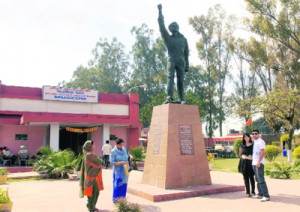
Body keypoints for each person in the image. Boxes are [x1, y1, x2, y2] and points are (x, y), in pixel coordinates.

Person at [157, 4, 189, 104]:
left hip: (181, 61)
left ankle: (182, 98)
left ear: (178, 27)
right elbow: (161, 26)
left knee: (181, 80)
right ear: (170, 29)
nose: (173, 27)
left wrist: (187, 64)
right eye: (171, 26)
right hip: (171, 60)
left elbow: (186, 53)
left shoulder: (183, 39)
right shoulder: (167, 38)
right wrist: (160, 11)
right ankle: (169, 97)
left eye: (175, 25)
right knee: (170, 78)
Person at [79, 140, 104, 212]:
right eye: (93, 145)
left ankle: (92, 206)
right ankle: (91, 208)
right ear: (89, 146)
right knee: (93, 193)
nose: (94, 146)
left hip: (91, 177)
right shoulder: (90, 155)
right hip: (92, 178)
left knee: (93, 193)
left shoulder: (87, 155)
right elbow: (100, 162)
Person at [110, 138, 131, 203]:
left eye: (122, 145)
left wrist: (130, 156)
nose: (121, 146)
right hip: (118, 171)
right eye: (120, 145)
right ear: (116, 144)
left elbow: (127, 156)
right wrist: (120, 162)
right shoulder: (113, 151)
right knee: (118, 184)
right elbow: (112, 162)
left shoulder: (124, 149)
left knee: (124, 184)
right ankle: (116, 199)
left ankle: (122, 199)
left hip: (125, 170)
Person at [251, 129, 270, 202]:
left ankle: (266, 196)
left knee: (261, 179)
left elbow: (262, 152)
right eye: (253, 134)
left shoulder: (260, 141)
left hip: (259, 163)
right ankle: (260, 194)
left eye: (256, 133)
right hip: (254, 163)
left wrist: (259, 162)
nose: (254, 135)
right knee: (257, 179)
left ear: (258, 134)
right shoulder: (255, 142)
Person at [238, 133, 255, 197]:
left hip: (250, 162)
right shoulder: (242, 145)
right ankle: (248, 192)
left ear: (249, 137)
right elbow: (239, 154)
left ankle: (253, 191)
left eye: (247, 137)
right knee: (245, 177)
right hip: (244, 162)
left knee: (251, 177)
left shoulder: (253, 145)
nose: (246, 138)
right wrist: (242, 158)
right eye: (244, 137)